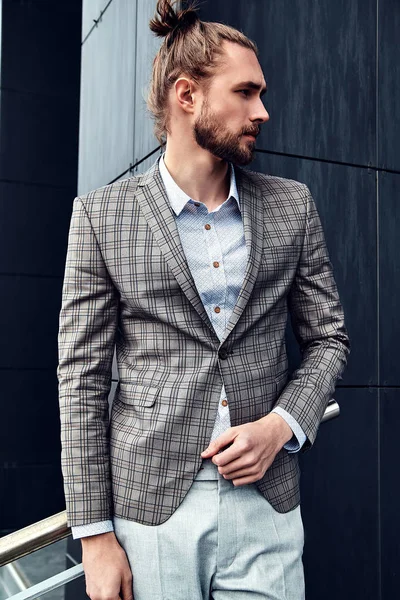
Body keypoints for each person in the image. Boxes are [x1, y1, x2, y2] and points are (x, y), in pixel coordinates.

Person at [57, 1, 350, 599]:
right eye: (245, 92)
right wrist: (94, 536)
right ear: (186, 96)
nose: (262, 111)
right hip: (151, 514)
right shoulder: (100, 217)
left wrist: (281, 425)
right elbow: (81, 377)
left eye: (261, 93)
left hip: (266, 505)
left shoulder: (292, 206)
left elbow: (328, 339)